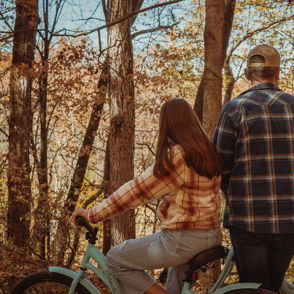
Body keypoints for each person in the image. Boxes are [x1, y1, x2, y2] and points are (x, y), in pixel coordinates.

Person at [73, 98, 222, 294]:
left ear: (167, 124)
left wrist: (93, 214)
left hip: (183, 240)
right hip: (211, 235)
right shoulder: (207, 151)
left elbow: (137, 191)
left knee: (115, 258)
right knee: (176, 285)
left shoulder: (178, 156)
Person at [213, 44, 294, 292]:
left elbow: (219, 164)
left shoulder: (234, 108)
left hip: (247, 216)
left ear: (248, 74)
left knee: (252, 286)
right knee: (273, 283)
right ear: (278, 73)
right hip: (289, 216)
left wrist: (230, 191)